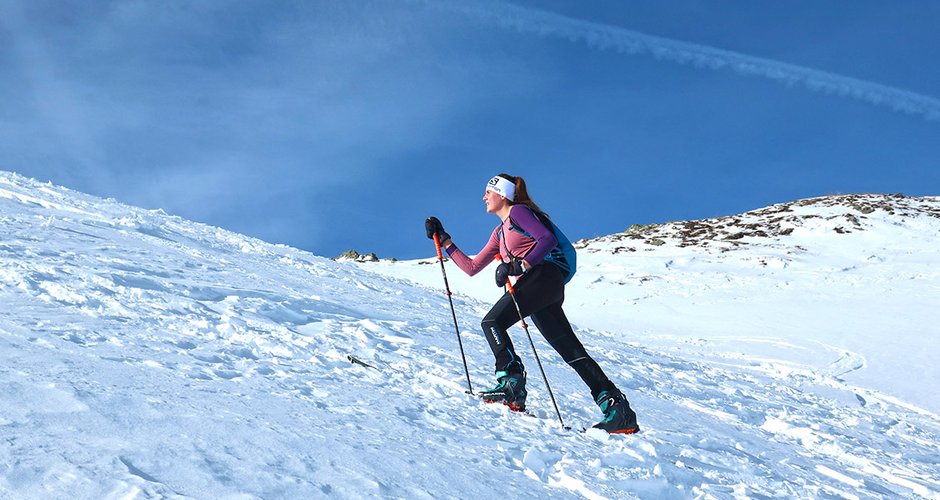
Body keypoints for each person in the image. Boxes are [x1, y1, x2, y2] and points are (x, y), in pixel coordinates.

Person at [425, 174, 639, 434]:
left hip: (545, 276)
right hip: (542, 286)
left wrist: (520, 265)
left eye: (488, 192)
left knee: (492, 322)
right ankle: (617, 409)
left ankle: (511, 384)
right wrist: (445, 241)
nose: (484, 197)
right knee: (570, 351)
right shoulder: (499, 233)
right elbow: (471, 267)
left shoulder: (519, 213)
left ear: (502, 194)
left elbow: (546, 240)